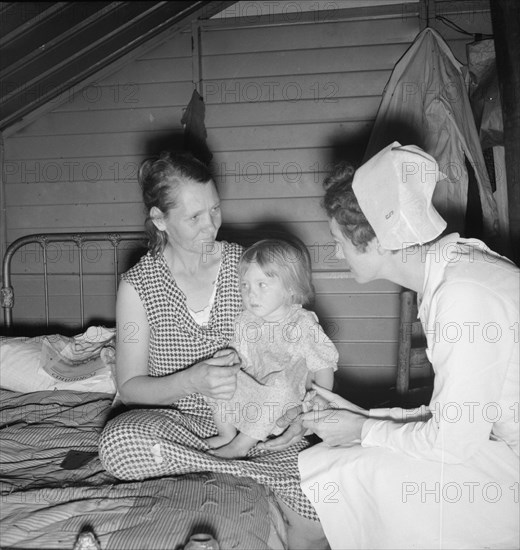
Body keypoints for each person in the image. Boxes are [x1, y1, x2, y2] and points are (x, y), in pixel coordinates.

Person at [291, 142, 518, 549]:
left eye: (338, 239)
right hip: (494, 447)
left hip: (509, 472)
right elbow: (457, 417)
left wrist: (362, 429)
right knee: (334, 471)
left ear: (378, 242)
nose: (336, 250)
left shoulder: (461, 296)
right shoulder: (450, 271)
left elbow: (452, 443)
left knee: (341, 477)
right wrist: (362, 414)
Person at [98, 151, 328, 549]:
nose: (211, 226)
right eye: (194, 217)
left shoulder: (246, 266)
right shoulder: (138, 286)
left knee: (324, 510)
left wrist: (300, 414)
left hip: (254, 421)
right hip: (181, 427)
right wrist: (193, 380)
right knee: (117, 443)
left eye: (215, 210)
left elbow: (299, 347)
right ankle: (241, 467)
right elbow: (131, 387)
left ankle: (236, 462)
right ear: (159, 220)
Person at [206, 239, 338, 458]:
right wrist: (230, 358)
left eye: (262, 285)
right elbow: (241, 358)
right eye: (245, 285)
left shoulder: (303, 324)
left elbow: (323, 366)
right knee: (217, 373)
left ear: (291, 288)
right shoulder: (245, 321)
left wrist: (320, 401)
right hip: (253, 400)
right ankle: (226, 434)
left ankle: (241, 445)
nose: (250, 294)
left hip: (286, 406)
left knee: (280, 384)